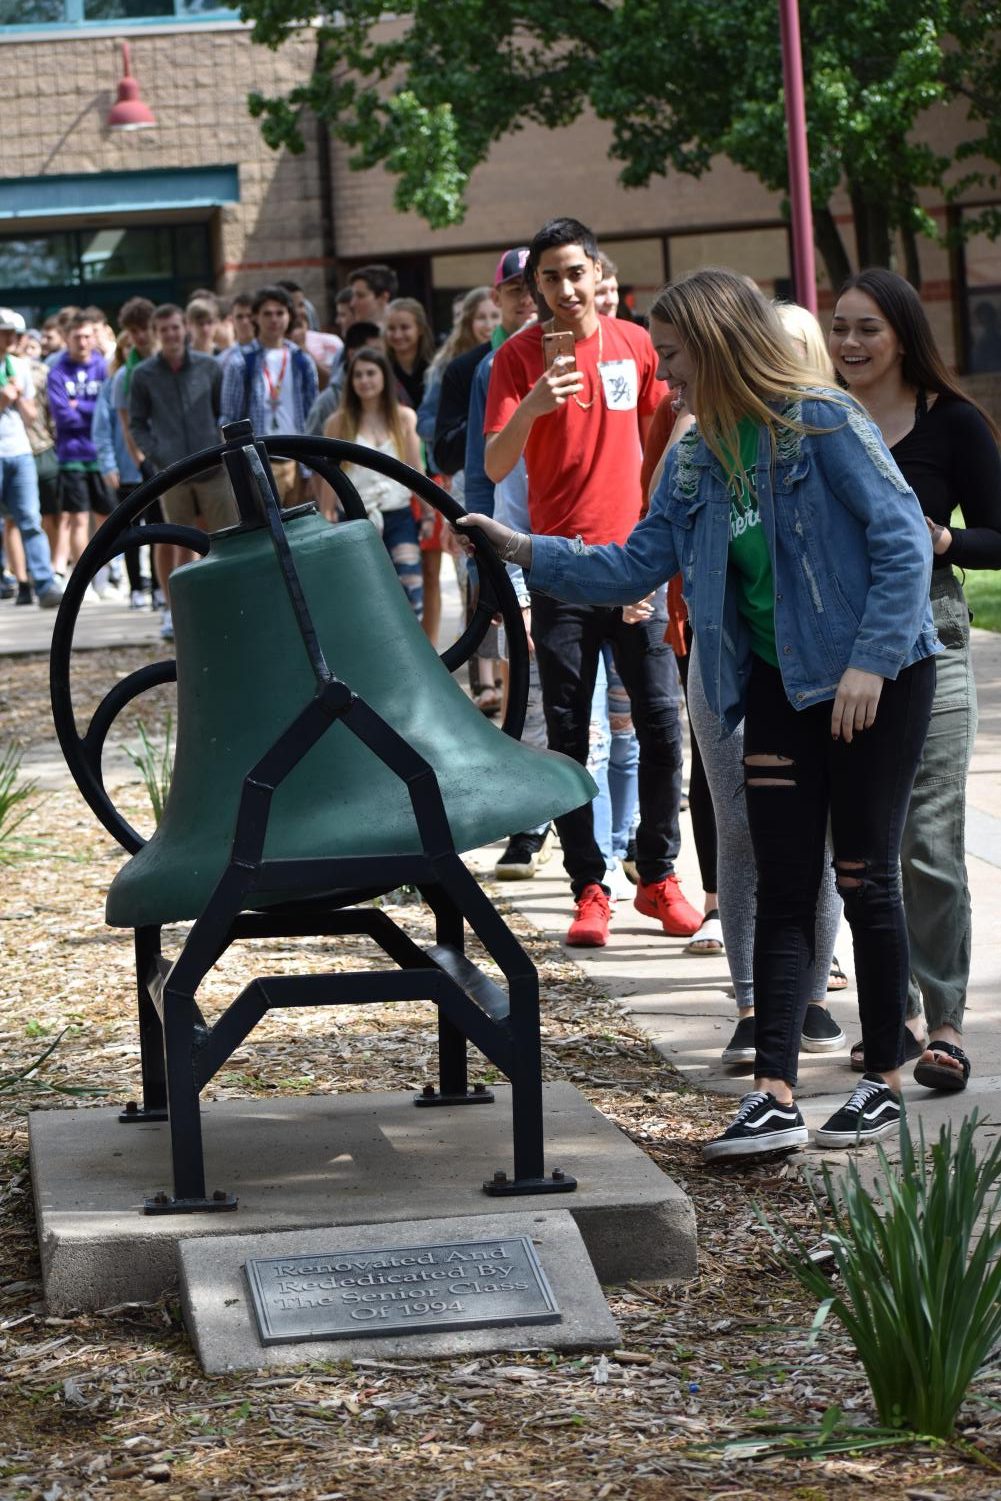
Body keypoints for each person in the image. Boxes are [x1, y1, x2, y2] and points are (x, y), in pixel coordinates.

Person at [463, 266, 941, 1157]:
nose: (664, 377)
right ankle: (772, 1091)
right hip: (778, 681)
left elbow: (903, 538)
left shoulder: (822, 423)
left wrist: (871, 662)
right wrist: (522, 548)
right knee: (782, 880)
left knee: (863, 874)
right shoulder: (692, 458)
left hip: (876, 676)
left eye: (674, 358)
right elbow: (630, 567)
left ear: (719, 346)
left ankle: (881, 1074)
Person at [482, 216, 700, 949]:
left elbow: (661, 455)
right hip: (559, 571)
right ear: (535, 287)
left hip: (633, 565)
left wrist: (650, 560)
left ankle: (658, 875)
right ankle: (587, 887)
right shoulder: (514, 360)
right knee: (569, 736)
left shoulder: (636, 345)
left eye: (576, 272)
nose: (566, 288)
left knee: (663, 725)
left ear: (595, 271)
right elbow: (492, 465)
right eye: (550, 277)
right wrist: (536, 403)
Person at [830, 268, 1001, 1095]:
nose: (850, 344)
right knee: (863, 845)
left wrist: (945, 542)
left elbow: (1000, 538)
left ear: (901, 334)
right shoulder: (819, 421)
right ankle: (884, 1018)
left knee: (927, 841)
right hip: (834, 649)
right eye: (839, 328)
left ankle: (941, 1025)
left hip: (928, 639)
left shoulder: (953, 424)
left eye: (867, 328)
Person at [129, 302, 236, 640]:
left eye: (176, 328)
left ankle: (232, 605)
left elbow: (225, 411)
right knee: (176, 543)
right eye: (164, 330)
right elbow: (137, 423)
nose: (172, 335)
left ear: (184, 329)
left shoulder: (209, 366)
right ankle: (174, 612)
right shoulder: (144, 374)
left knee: (229, 540)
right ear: (157, 335)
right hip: (172, 474)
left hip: (213, 469)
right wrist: (157, 454)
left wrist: (220, 444)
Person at [323, 346, 424, 616]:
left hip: (399, 515)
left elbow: (416, 470)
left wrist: (428, 513)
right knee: (361, 594)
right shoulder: (338, 422)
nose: (365, 380)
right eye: (358, 375)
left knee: (411, 590)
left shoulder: (404, 417)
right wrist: (326, 515)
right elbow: (329, 475)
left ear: (384, 377)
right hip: (356, 517)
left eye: (371, 373)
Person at [219, 285, 319, 504]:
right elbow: (229, 420)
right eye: (267, 313)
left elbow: (314, 417)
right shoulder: (240, 362)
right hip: (259, 463)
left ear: (289, 316)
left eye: (280, 313)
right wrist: (238, 469)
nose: (274, 319)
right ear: (256, 317)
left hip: (298, 462)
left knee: (300, 533)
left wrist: (314, 469)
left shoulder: (302, 361)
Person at [0, 308, 63, 609]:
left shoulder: (19, 366)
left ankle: (44, 583)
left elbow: (30, 415)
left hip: (20, 451)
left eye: (14, 333)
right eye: (6, 333)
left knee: (30, 519)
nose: (12, 338)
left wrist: (17, 397)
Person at [45, 311, 112, 579]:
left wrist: (80, 406)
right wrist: (90, 412)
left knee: (107, 518)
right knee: (79, 519)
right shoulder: (57, 371)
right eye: (77, 337)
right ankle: (86, 578)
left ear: (94, 337)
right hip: (72, 455)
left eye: (87, 336)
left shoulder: (104, 367)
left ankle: (107, 574)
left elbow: (106, 411)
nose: (83, 342)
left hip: (102, 454)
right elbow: (63, 417)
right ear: (67, 338)